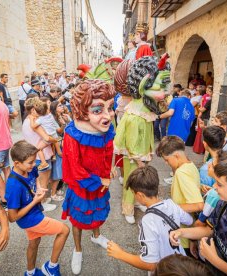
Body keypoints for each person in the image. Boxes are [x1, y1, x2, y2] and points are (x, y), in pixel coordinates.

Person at [61, 79, 115, 275]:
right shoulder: (73, 135)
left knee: (97, 213)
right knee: (77, 219)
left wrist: (109, 169)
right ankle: (77, 249)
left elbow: (109, 149)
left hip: (101, 182)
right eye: (98, 110)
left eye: (110, 107)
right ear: (82, 111)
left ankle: (96, 236)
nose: (108, 116)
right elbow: (75, 168)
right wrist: (100, 180)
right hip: (81, 186)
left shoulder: (106, 129)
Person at [114, 56, 170, 225]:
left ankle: (138, 202)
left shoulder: (145, 111)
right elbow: (131, 143)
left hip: (142, 155)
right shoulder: (134, 115)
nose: (166, 91)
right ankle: (128, 207)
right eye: (161, 86)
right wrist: (139, 162)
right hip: (134, 157)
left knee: (140, 181)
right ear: (143, 84)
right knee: (132, 181)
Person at [106, 166, 193, 272]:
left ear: (140, 195)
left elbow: (150, 264)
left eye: (133, 193)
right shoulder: (171, 204)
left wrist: (120, 254)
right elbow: (189, 220)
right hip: (181, 263)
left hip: (165, 270)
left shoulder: (148, 221)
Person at [5, 141, 69, 276]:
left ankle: (30, 273)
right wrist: (35, 201)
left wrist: (39, 188)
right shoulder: (13, 185)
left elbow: (36, 177)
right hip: (30, 219)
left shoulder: (28, 168)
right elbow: (12, 217)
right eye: (30, 162)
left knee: (34, 243)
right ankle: (51, 267)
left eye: (34, 161)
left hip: (33, 213)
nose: (34, 165)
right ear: (16, 163)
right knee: (64, 230)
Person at [155, 135, 204, 256]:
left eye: (167, 160)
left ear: (176, 156)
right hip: (188, 231)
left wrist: (171, 208)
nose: (166, 164)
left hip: (183, 232)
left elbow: (198, 205)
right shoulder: (190, 165)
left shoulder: (181, 173)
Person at [22, 98, 57, 212]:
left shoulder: (28, 121)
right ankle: (42, 204)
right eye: (38, 109)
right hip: (40, 156)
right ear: (33, 110)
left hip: (37, 155)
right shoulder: (35, 124)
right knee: (42, 183)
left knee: (41, 182)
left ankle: (43, 201)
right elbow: (47, 138)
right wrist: (56, 139)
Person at [28, 100, 62, 171]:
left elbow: (33, 126)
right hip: (55, 135)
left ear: (37, 112)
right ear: (47, 109)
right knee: (56, 147)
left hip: (49, 137)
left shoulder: (40, 119)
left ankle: (44, 163)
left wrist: (31, 119)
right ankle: (55, 155)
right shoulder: (50, 115)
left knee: (38, 149)